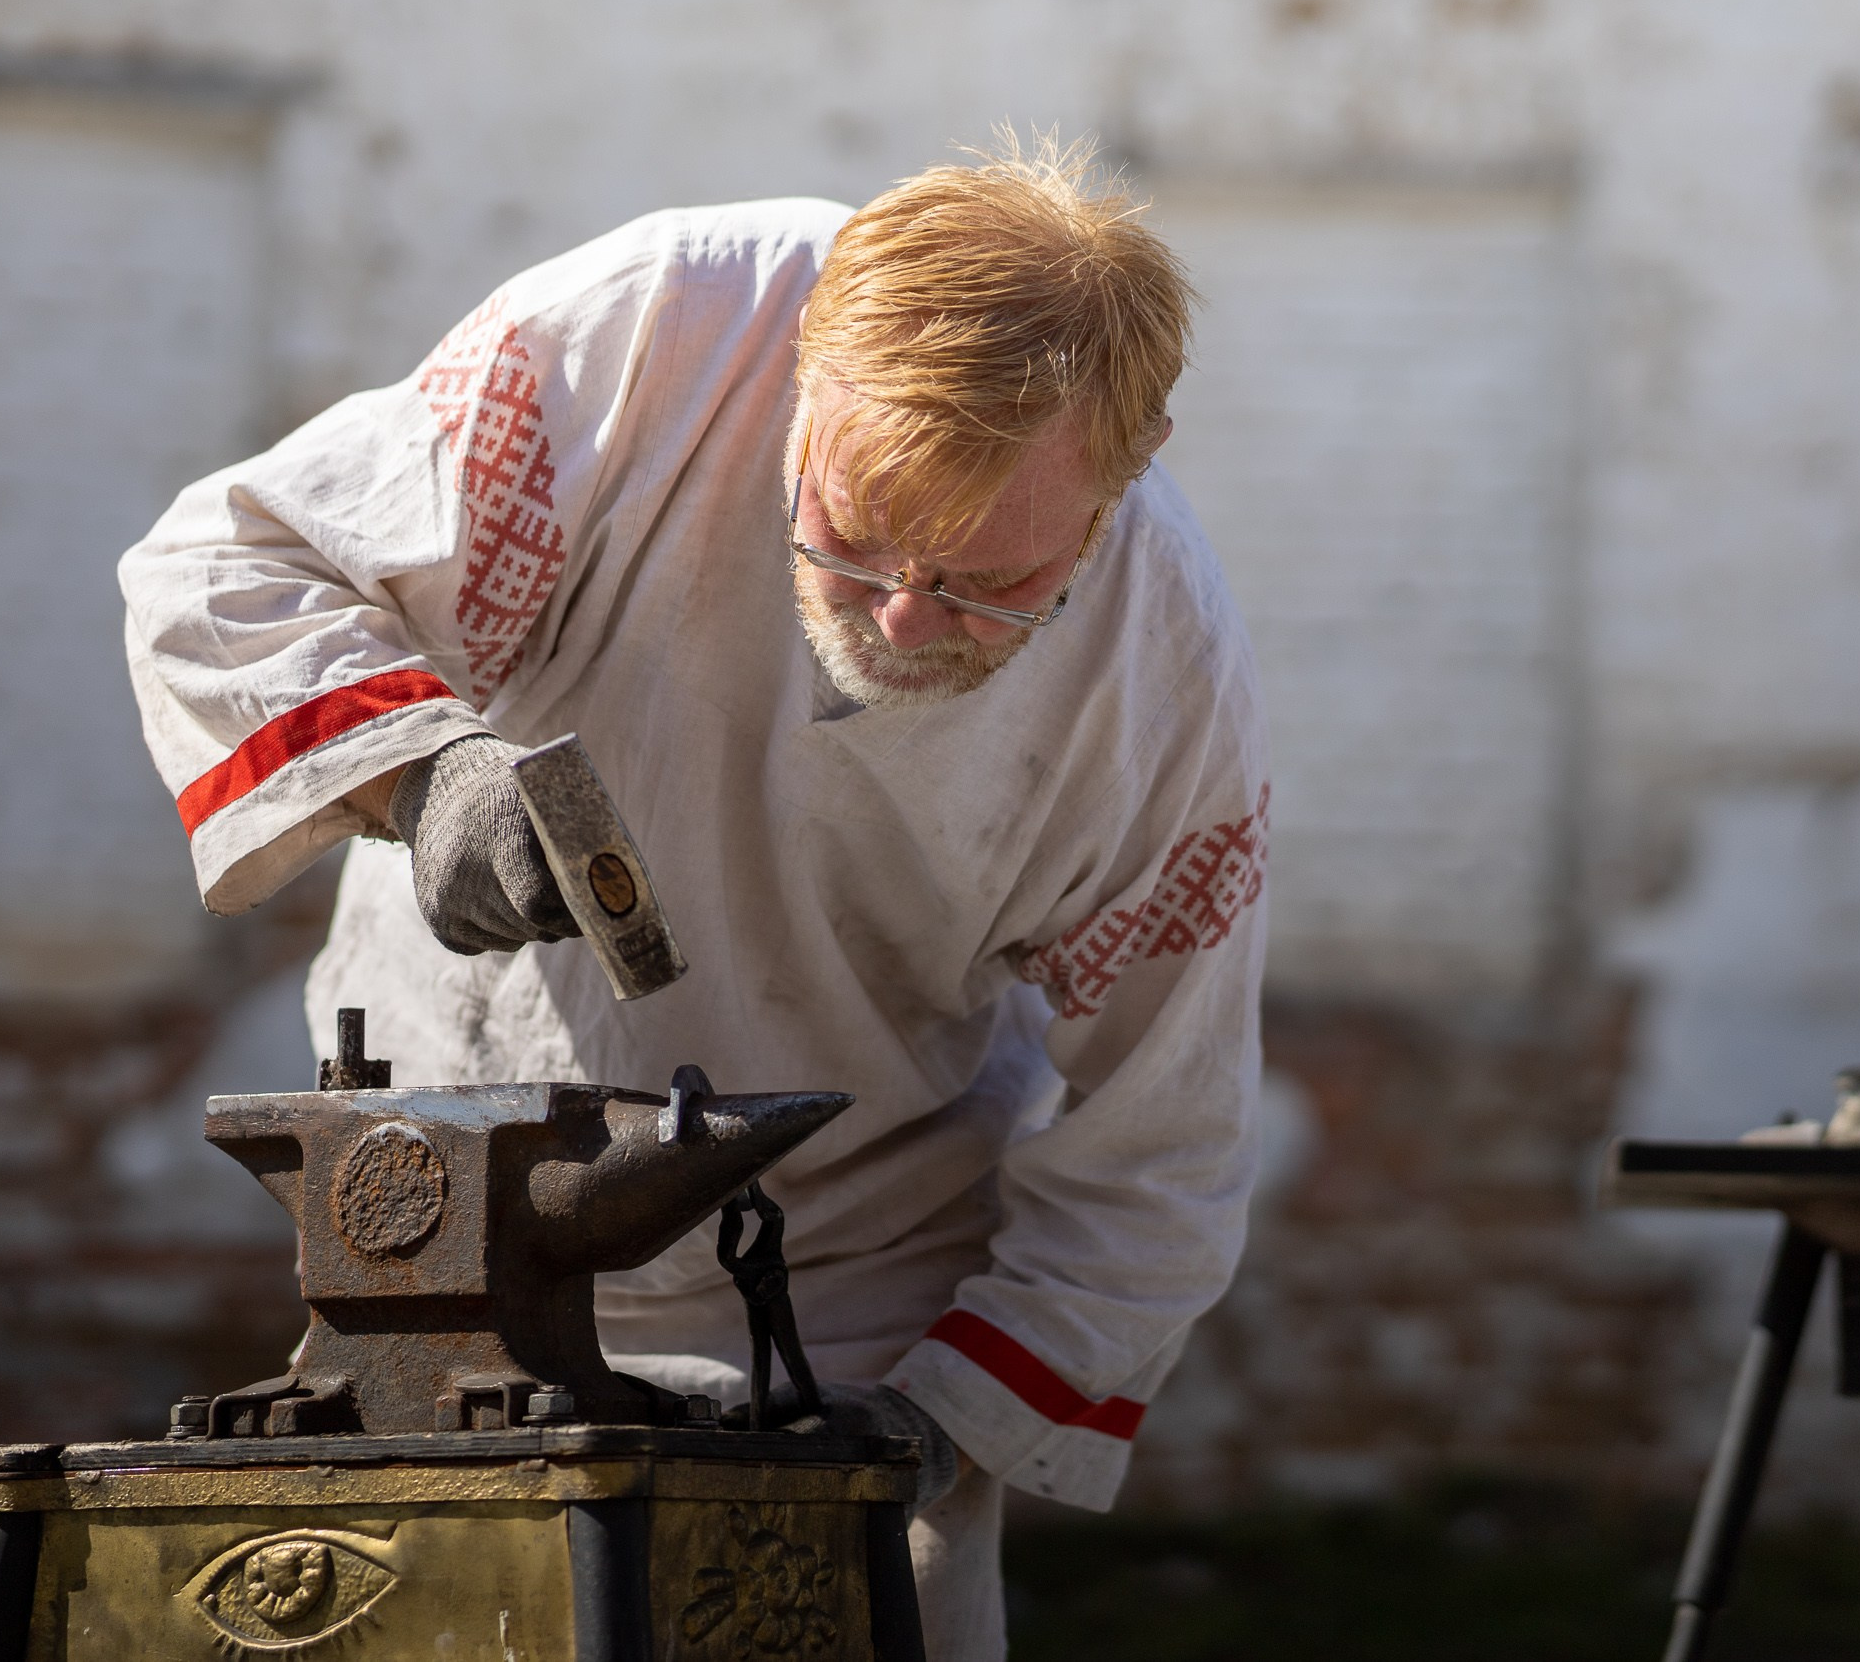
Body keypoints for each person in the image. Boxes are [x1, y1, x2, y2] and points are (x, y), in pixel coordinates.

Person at [120, 135, 1267, 1660]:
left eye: (988, 580)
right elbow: (227, 562)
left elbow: (1165, 1145)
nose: (905, 616)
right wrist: (424, 774)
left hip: (854, 1298)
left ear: (1127, 469)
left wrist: (934, 1424)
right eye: (852, 540)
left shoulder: (1165, 686)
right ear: (808, 377)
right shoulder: (648, 340)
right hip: (447, 1237)